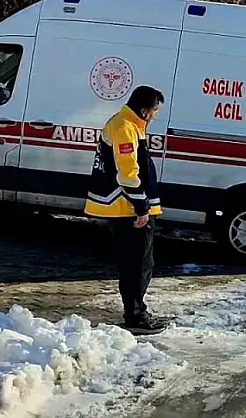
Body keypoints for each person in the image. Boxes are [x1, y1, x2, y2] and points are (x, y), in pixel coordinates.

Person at [85, 85, 167, 335]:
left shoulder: (129, 124)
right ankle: (136, 316)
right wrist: (141, 207)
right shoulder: (125, 127)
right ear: (144, 111)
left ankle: (136, 311)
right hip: (126, 207)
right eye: (154, 111)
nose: (155, 115)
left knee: (139, 263)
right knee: (138, 265)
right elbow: (128, 174)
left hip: (127, 206)